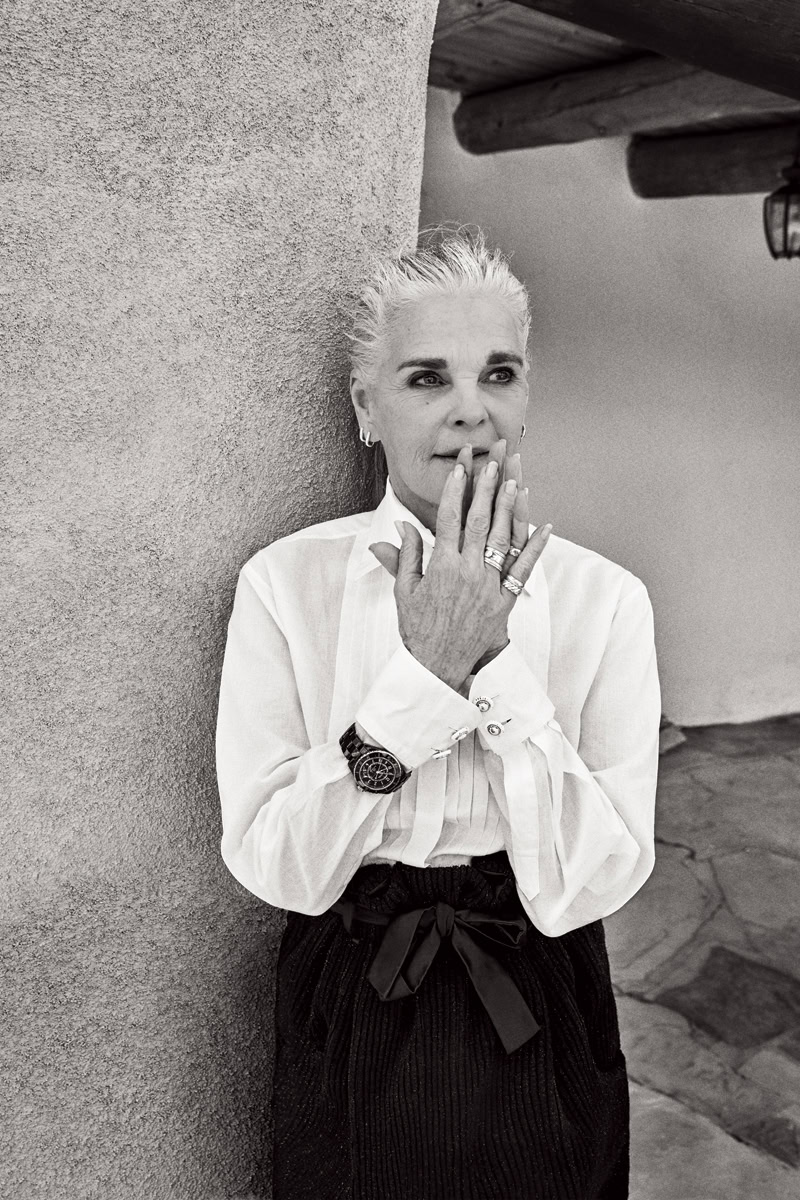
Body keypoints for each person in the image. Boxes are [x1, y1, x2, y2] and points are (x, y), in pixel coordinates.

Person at [215, 228, 661, 1200]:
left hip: (539, 981)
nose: (471, 411)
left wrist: (490, 665)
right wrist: (422, 680)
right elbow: (280, 862)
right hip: (351, 985)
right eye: (426, 379)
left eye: (497, 373)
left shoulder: (605, 601)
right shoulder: (284, 588)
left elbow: (590, 878)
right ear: (365, 408)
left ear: (526, 393)